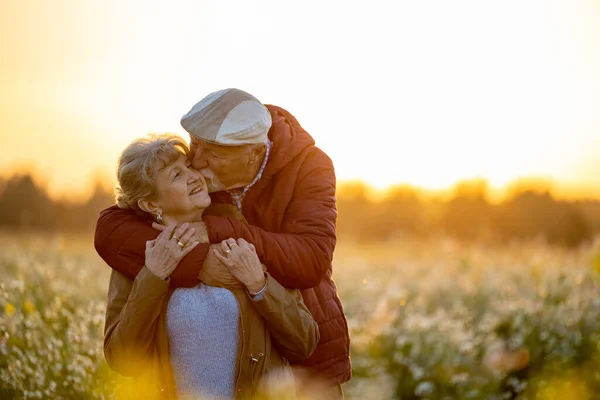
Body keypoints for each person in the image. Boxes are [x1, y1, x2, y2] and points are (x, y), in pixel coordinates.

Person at [95, 89, 350, 399]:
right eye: (195, 146)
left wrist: (222, 235)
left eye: (211, 153)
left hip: (309, 359)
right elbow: (109, 228)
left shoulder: (309, 167)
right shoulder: (188, 189)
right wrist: (199, 262)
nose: (197, 162)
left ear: (254, 152)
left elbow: (310, 260)